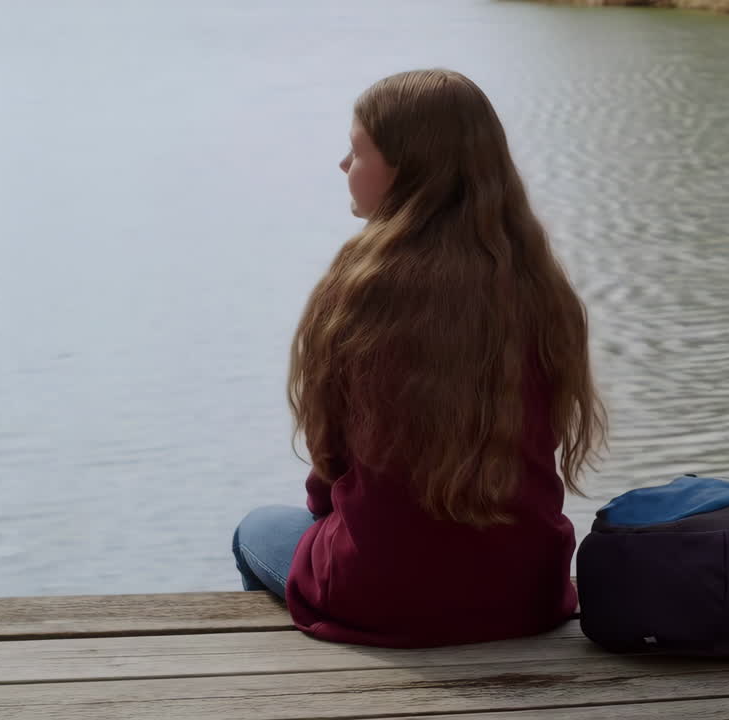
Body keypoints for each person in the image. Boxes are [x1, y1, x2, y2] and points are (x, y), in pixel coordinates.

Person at [232, 69, 606, 648]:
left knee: (255, 530)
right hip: (528, 594)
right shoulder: (539, 286)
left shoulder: (362, 287)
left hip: (382, 598)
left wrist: (343, 528)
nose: (342, 165)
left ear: (408, 167)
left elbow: (329, 468)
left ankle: (308, 672)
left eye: (357, 150)